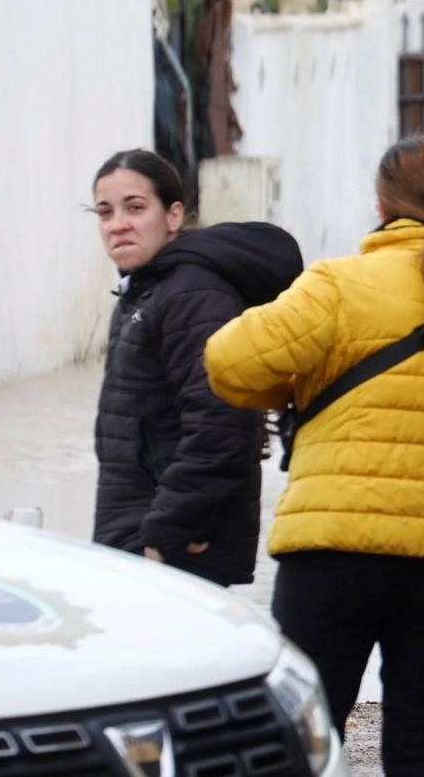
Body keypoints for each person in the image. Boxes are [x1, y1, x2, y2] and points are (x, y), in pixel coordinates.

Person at [204, 135, 424, 776]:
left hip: (338, 548)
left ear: (380, 202)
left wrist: (301, 387)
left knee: (306, 738)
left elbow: (227, 362)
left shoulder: (334, 285)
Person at [91, 149, 302, 587]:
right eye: (105, 212)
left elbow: (221, 424)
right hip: (144, 536)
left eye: (135, 208)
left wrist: (167, 531)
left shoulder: (193, 294)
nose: (117, 225)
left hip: (176, 546)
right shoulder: (146, 291)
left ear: (173, 215)